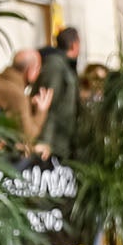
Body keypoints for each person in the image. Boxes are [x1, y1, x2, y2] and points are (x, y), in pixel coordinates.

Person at [35, 27, 85, 157]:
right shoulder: (55, 66)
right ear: (75, 45)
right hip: (55, 144)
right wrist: (45, 142)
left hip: (64, 142)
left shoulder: (66, 66)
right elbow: (48, 104)